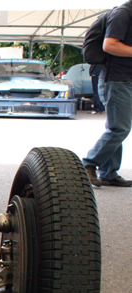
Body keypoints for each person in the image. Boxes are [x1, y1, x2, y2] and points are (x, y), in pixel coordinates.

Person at [83, 2, 132, 187]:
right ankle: (88, 163)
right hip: (117, 79)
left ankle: (109, 173)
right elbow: (110, 45)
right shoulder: (123, 13)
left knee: (117, 127)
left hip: (125, 78)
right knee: (119, 128)